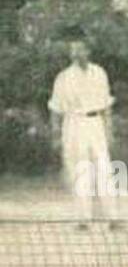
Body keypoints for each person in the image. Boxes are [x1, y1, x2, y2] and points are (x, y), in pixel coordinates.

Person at [48, 28, 119, 228]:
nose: (76, 54)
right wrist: (55, 135)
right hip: (74, 124)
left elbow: (106, 106)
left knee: (104, 169)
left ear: (88, 51)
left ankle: (112, 218)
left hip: (95, 124)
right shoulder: (64, 77)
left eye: (80, 49)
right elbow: (55, 109)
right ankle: (83, 219)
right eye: (73, 50)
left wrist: (109, 131)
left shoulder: (99, 73)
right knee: (79, 171)